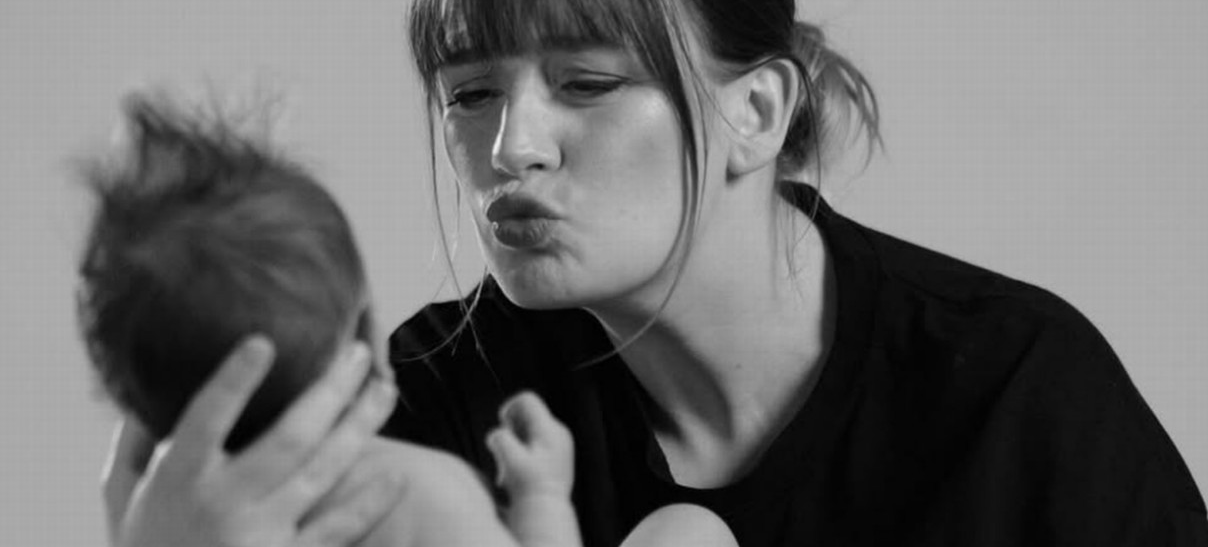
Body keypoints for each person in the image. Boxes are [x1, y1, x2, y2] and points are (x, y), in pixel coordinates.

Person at [101, 0, 1208, 547]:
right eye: (469, 95)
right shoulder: (436, 404)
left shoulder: (1018, 394)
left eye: (587, 83)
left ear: (756, 111)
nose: (510, 147)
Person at [80, 94, 736, 547]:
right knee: (690, 532)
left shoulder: (161, 518)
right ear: (362, 335)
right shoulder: (416, 492)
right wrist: (541, 502)